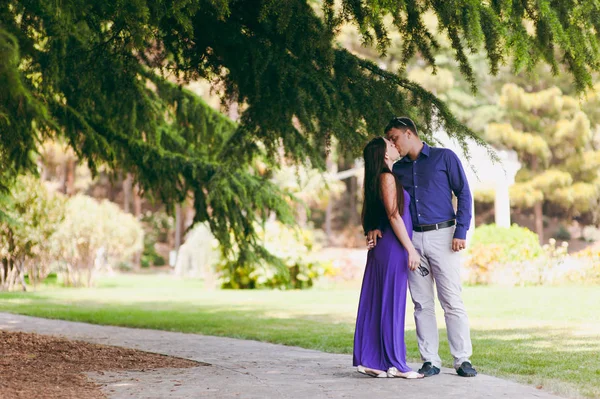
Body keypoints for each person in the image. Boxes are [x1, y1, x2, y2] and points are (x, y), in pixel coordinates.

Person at [367, 117, 478, 378]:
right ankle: (430, 360)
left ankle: (462, 360)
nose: (392, 144)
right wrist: (371, 225)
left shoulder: (444, 157)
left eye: (394, 138)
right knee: (421, 303)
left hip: (445, 236)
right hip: (412, 240)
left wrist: (461, 230)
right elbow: (382, 198)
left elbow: (463, 193)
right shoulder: (396, 169)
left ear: (409, 133)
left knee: (451, 300)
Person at [353, 136, 424, 379]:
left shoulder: (380, 179)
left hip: (386, 247)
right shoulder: (387, 177)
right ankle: (396, 364)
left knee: (380, 303)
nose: (395, 145)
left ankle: (374, 361)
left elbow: (381, 213)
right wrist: (411, 249)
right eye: (390, 144)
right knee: (392, 304)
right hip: (393, 248)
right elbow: (394, 216)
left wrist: (371, 228)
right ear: (384, 154)